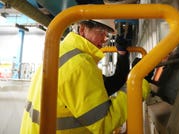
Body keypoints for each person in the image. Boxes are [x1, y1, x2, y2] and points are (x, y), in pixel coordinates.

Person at [20, 19, 150, 134]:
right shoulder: (79, 64)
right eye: (101, 32)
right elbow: (105, 123)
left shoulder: (63, 53)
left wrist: (122, 55)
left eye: (107, 35)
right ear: (82, 29)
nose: (105, 40)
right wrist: (139, 82)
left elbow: (107, 86)